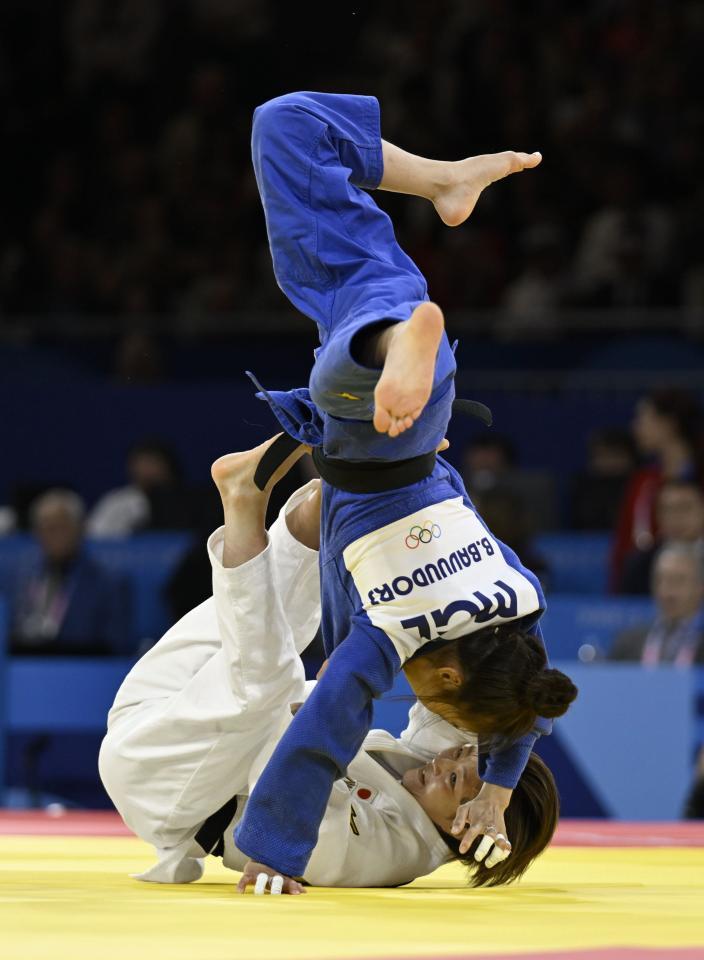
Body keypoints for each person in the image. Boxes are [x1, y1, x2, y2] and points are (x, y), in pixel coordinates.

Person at [232, 92, 577, 890]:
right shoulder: (390, 635)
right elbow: (323, 729)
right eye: (449, 715)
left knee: (290, 127)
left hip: (425, 417)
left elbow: (530, 698)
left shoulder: (519, 606)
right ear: (446, 680)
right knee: (357, 365)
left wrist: (495, 787)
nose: (438, 728)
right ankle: (399, 341)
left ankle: (439, 188)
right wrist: (275, 853)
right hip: (373, 419)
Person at [99, 442, 559, 893]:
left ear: (465, 832)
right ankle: (337, 463)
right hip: (168, 704)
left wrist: (275, 856)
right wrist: (498, 789)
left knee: (274, 681)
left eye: (454, 778)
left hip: (167, 787)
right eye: (457, 757)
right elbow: (520, 682)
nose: (441, 761)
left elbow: (286, 770)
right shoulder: (443, 779)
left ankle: (249, 503)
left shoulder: (388, 853)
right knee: (302, 565)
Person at [10, 489, 132, 655]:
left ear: (80, 528)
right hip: (27, 669)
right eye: (46, 528)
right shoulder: (21, 579)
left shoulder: (109, 583)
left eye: (61, 527)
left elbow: (117, 648)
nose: (54, 536)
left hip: (84, 671)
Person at [610, 389, 704, 591]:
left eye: (643, 418)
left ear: (669, 422)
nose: (636, 427)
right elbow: (624, 548)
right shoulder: (642, 482)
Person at [609, 543, 704, 666]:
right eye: (660, 580)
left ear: (700, 587)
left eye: (678, 580)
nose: (668, 592)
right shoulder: (627, 643)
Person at [620, 479, 704, 595]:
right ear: (658, 515)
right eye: (668, 510)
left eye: (685, 507)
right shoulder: (639, 566)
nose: (676, 517)